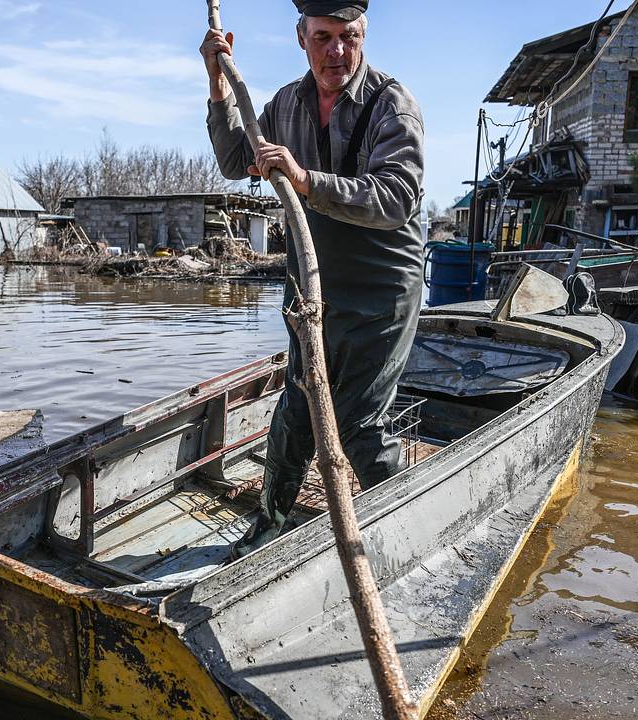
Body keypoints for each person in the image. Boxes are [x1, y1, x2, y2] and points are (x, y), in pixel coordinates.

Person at [200, 0, 425, 558]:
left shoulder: (391, 105)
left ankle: (407, 537)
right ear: (302, 37)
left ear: (363, 36)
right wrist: (216, 82)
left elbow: (396, 197)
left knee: (360, 426)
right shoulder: (286, 104)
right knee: (296, 409)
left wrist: (303, 178)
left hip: (381, 289)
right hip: (311, 286)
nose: (336, 51)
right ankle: (269, 527)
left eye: (348, 37)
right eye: (323, 37)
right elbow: (234, 160)